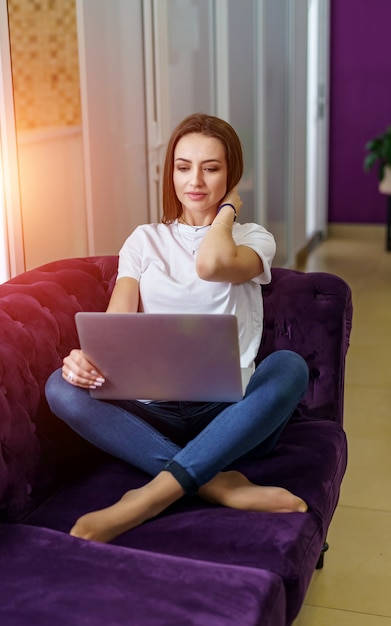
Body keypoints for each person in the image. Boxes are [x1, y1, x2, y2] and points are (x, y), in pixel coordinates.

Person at [45, 113, 309, 544]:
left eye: (212, 167)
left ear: (232, 174)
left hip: (229, 416)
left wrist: (226, 214)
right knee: (59, 387)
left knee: (289, 366)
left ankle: (146, 498)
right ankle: (216, 483)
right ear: (170, 171)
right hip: (152, 413)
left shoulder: (253, 238)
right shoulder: (144, 240)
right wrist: (84, 361)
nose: (195, 181)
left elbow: (211, 264)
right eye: (183, 166)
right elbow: (117, 325)